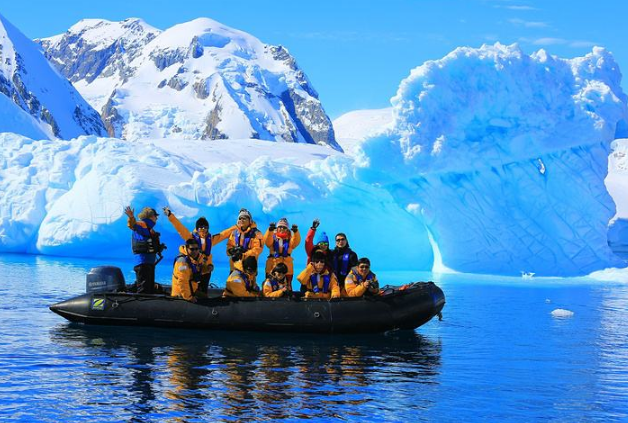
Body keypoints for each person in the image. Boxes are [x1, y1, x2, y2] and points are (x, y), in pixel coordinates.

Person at [162, 207, 236, 294]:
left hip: (206, 270)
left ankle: (202, 297)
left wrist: (237, 226)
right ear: (197, 228)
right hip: (194, 269)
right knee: (193, 287)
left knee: (203, 290)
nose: (203, 229)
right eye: (201, 227)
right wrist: (170, 216)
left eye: (205, 227)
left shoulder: (211, 239)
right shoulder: (191, 238)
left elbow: (224, 234)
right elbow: (179, 227)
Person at [125, 205, 162, 294]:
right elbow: (132, 225)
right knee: (144, 289)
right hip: (142, 262)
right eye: (155, 216)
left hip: (149, 262)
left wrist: (159, 247)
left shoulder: (150, 229)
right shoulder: (141, 224)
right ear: (150, 216)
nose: (157, 218)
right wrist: (131, 217)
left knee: (149, 288)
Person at [263, 217, 301, 283]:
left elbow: (295, 242)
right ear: (277, 228)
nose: (282, 229)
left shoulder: (290, 238)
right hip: (273, 264)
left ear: (287, 229)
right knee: (270, 282)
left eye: (284, 227)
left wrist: (295, 232)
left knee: (287, 284)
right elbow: (267, 242)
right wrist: (270, 230)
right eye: (280, 227)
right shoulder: (272, 236)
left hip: (287, 265)